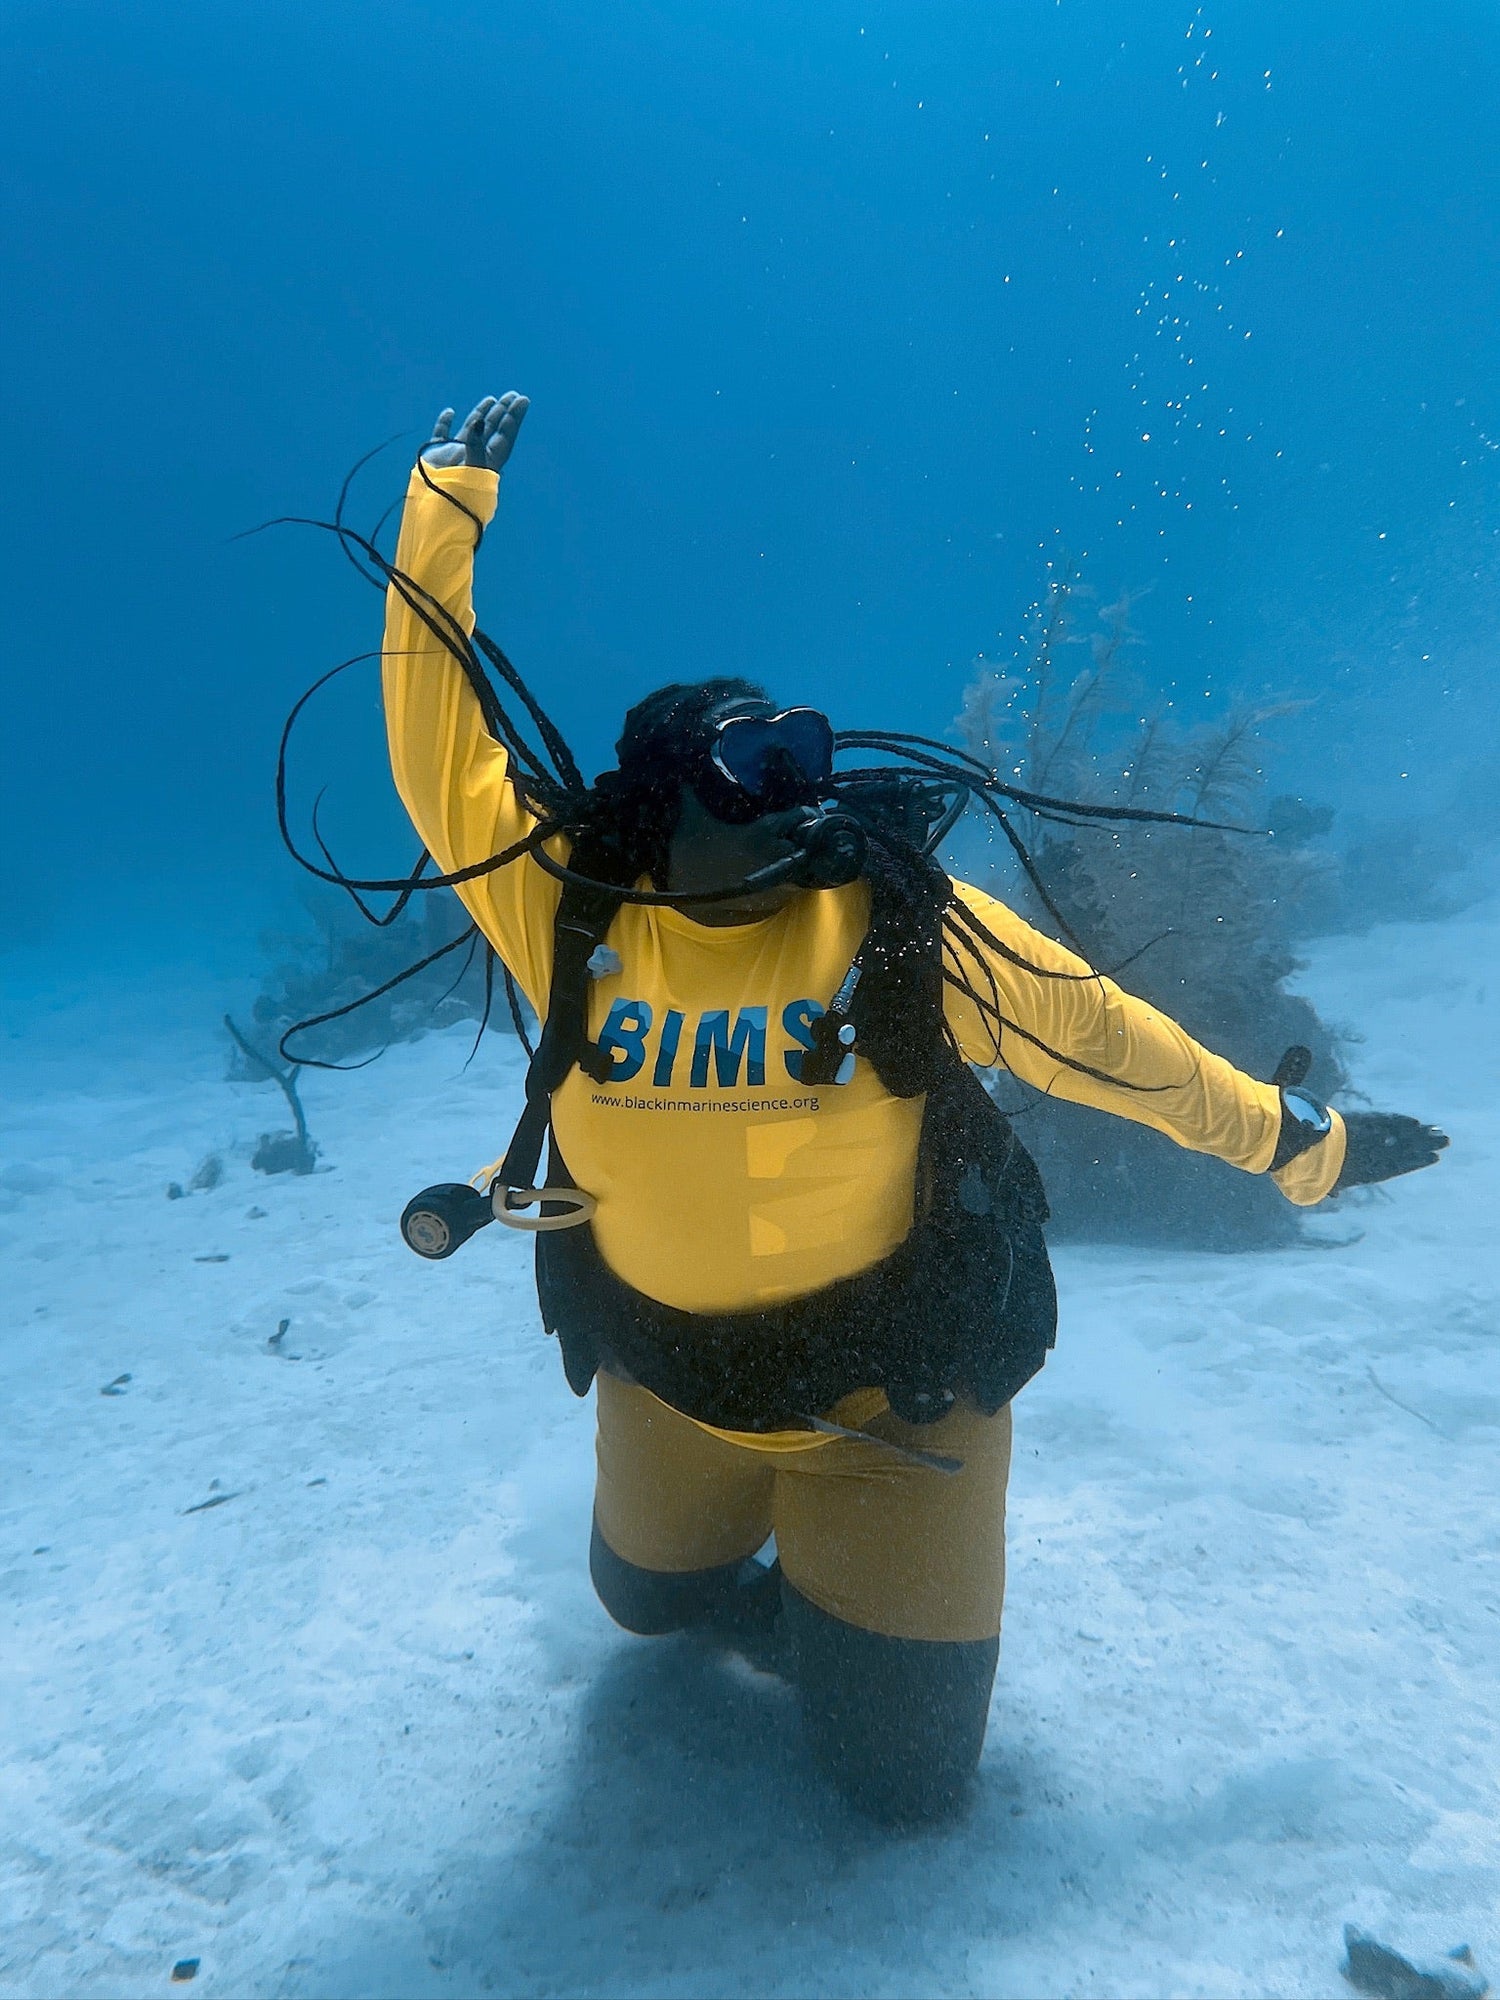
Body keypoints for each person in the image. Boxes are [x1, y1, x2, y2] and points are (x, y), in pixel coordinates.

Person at [376, 391, 1447, 1825]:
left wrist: (1299, 1149)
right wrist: (441, 513)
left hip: (897, 1401)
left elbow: (1117, 1049)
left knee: (904, 1788)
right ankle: (768, 1580)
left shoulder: (902, 933)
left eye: (804, 760)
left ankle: (848, 1597)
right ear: (656, 806)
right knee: (641, 1611)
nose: (801, 802)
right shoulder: (561, 911)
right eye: (756, 771)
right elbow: (437, 752)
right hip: (670, 1384)